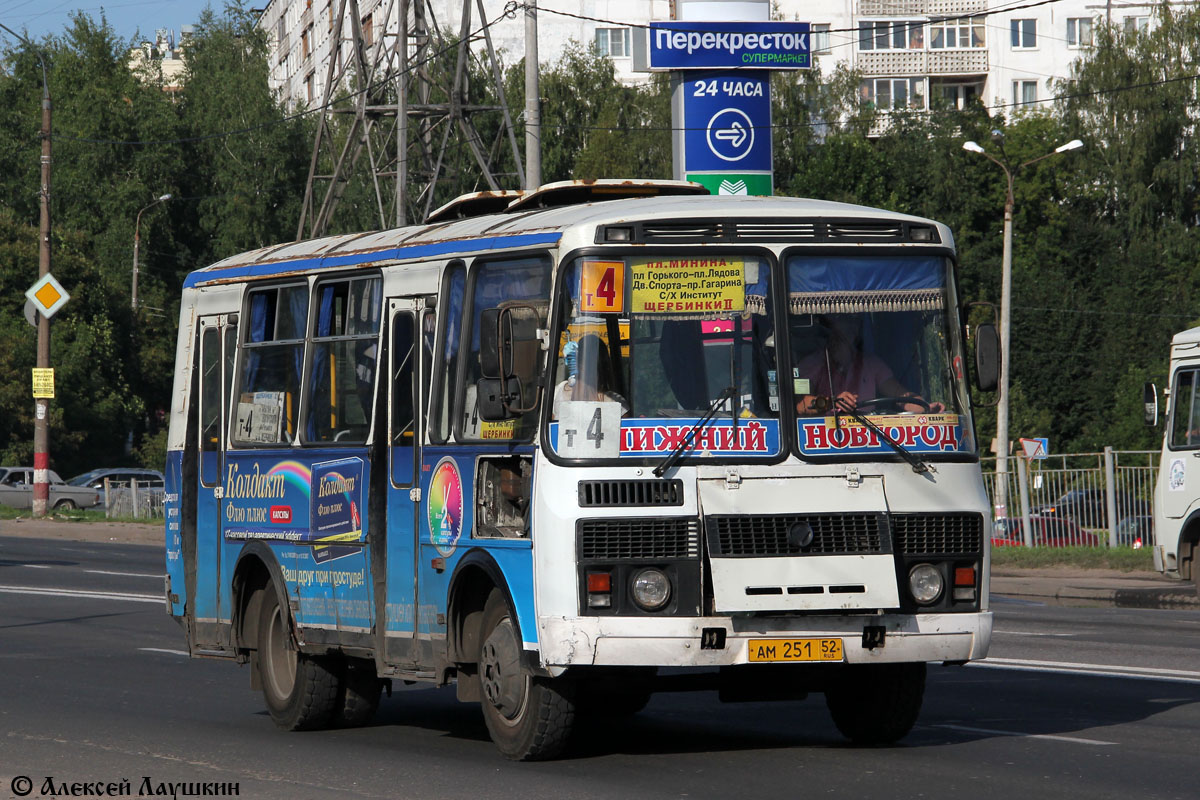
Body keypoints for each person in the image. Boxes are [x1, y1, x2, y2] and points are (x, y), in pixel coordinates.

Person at [793, 314, 942, 416]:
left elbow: (899, 395)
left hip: (866, 440)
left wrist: (927, 407)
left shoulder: (872, 364)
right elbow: (801, 405)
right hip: (825, 441)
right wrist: (832, 402)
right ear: (830, 333)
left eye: (852, 328)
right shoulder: (810, 364)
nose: (848, 333)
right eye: (842, 331)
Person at [552, 333, 628, 418]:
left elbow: (628, 428)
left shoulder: (615, 402)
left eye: (591, 364)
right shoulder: (557, 393)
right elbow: (550, 426)